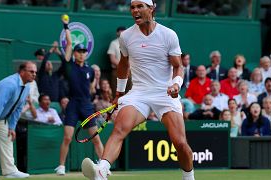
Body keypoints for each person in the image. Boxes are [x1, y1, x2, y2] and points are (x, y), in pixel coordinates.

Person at [81, 1, 195, 180]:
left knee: (180, 143)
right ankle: (101, 171)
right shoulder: (126, 36)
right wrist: (119, 93)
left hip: (164, 93)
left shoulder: (168, 35)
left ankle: (188, 177)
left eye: (139, 6)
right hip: (139, 93)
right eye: (132, 7)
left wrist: (176, 85)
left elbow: (178, 66)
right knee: (119, 129)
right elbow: (123, 64)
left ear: (151, 8)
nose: (135, 11)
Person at [55, 16, 104, 176]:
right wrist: (66, 26)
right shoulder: (69, 65)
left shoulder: (90, 70)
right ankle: (61, 166)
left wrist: (94, 87)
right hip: (73, 105)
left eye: (83, 52)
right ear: (74, 54)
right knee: (68, 137)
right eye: (79, 51)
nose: (82, 54)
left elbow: (90, 89)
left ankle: (104, 166)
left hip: (86, 106)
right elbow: (69, 43)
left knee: (96, 139)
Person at [107, 26, 126, 96]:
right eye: (121, 31)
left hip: (129, 72)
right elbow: (112, 59)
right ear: (117, 33)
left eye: (124, 31)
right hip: (117, 71)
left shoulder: (129, 44)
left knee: (129, 93)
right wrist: (123, 67)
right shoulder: (114, 43)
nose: (122, 33)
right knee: (117, 93)